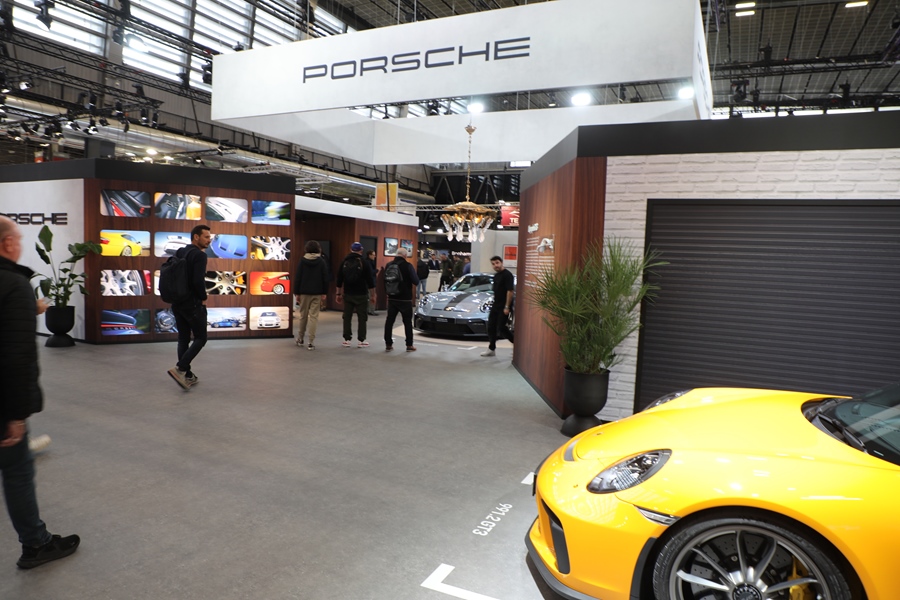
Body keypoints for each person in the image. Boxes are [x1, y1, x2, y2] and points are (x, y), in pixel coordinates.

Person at [0, 215, 80, 569]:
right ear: (7, 243)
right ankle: (36, 544)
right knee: (17, 470)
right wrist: (17, 414)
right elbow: (17, 356)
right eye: (18, 238)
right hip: (3, 403)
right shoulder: (14, 284)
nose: (20, 243)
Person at [167, 224, 211, 389]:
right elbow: (197, 281)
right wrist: (203, 297)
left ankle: (187, 375)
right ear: (196, 237)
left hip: (177, 302)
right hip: (192, 304)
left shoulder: (180, 251)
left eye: (209, 237)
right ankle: (181, 368)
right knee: (201, 338)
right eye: (206, 237)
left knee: (183, 338)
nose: (209, 240)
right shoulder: (200, 256)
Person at [336, 242, 376, 348]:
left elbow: (339, 279)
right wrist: (373, 295)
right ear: (361, 250)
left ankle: (347, 340)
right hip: (362, 294)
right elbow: (370, 281)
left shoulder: (344, 261)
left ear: (351, 249)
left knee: (347, 317)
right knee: (362, 317)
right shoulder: (364, 262)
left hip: (348, 293)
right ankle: (361, 340)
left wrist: (338, 294)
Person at [294, 240, 329, 350]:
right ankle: (311, 342)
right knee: (314, 317)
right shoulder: (321, 261)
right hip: (317, 292)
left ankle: (300, 338)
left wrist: (297, 293)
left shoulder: (302, 261)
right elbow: (325, 278)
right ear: (318, 249)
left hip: (304, 292)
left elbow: (298, 277)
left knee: (303, 316)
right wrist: (324, 292)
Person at [383, 247, 420, 352]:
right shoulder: (408, 266)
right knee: (407, 322)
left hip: (392, 298)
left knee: (389, 321)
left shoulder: (388, 265)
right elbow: (416, 281)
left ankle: (388, 344)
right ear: (405, 255)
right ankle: (409, 345)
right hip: (405, 299)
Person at [481, 255, 515, 357]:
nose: (495, 265)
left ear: (501, 262)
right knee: (491, 326)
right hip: (496, 305)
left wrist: (507, 306)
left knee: (501, 327)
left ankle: (517, 345)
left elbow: (510, 291)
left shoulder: (507, 275)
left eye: (497, 263)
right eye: (493, 264)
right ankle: (491, 349)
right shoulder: (496, 276)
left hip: (504, 306)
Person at [365, 250, 379, 316]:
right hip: (371, 283)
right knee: (372, 296)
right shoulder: (369, 263)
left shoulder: (366, 262)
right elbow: (371, 272)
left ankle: (368, 310)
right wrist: (377, 270)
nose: (374, 256)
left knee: (369, 296)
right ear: (369, 255)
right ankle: (371, 310)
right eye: (373, 255)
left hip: (366, 283)